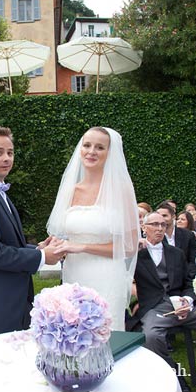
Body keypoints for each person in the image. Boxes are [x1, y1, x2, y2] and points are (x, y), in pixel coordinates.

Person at [0, 126, 62, 344]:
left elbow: (8, 243)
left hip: (12, 301)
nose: (6, 158)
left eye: (10, 152)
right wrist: (43, 258)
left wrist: (38, 249)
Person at [129, 212, 196, 392]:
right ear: (143, 227)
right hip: (155, 308)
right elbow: (124, 281)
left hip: (184, 306)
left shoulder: (176, 253)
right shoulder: (134, 254)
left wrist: (187, 300)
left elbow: (189, 283)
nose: (159, 228)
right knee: (151, 337)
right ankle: (176, 378)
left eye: (163, 225)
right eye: (154, 224)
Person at [46, 126, 139, 331]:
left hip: (106, 274)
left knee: (104, 333)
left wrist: (82, 247)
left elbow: (130, 247)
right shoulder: (70, 190)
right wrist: (53, 245)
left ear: (110, 153)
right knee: (74, 331)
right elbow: (60, 233)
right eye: (87, 145)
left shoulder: (120, 191)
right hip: (74, 273)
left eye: (100, 147)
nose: (91, 151)